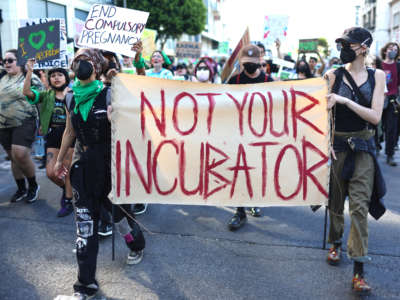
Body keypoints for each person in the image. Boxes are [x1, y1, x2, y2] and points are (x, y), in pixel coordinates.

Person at [53, 48, 145, 299]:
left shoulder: (109, 94)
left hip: (111, 167)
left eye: (85, 61)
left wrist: (119, 117)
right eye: (76, 61)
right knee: (85, 225)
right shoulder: (71, 97)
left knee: (118, 215)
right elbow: (70, 132)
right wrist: (60, 160)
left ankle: (135, 243)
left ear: (96, 67)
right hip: (83, 168)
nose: (80, 64)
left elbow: (137, 114)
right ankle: (85, 285)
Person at [324, 27, 385, 295]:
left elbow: (375, 117)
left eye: (349, 44)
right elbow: (320, 115)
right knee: (336, 201)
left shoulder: (377, 76)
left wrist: (344, 101)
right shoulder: (331, 75)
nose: (344, 48)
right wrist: (324, 145)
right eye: (342, 44)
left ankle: (359, 269)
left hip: (363, 148)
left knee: (359, 207)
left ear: (363, 47)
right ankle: (336, 242)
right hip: (337, 145)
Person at [226, 44, 273, 231]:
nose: (250, 66)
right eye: (247, 63)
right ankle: (239, 211)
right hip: (238, 134)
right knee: (239, 172)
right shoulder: (234, 81)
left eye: (253, 63)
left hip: (261, 134)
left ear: (259, 61)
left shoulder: (270, 81)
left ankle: (255, 199)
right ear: (241, 62)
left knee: (256, 170)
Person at [23, 60, 74, 217]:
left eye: (60, 75)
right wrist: (29, 72)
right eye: (53, 75)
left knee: (68, 170)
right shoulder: (46, 95)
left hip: (71, 135)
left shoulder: (74, 93)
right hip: (52, 135)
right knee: (52, 173)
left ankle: (67, 199)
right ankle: (69, 190)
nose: (56, 78)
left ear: (66, 78)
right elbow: (26, 93)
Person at [0, 49, 43, 203]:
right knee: (13, 157)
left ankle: (33, 186)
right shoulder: (2, 76)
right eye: (4, 61)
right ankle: (21, 188)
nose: (6, 63)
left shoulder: (29, 77)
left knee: (20, 154)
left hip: (25, 121)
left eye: (10, 60)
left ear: (20, 61)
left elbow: (42, 96)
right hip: (3, 124)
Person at [380, 42, 400, 166]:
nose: (393, 51)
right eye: (391, 48)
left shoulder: (398, 66)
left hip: (393, 100)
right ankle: (376, 145)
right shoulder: (378, 65)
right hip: (378, 99)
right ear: (385, 50)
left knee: (391, 128)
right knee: (376, 127)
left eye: (395, 49)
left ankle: (390, 154)